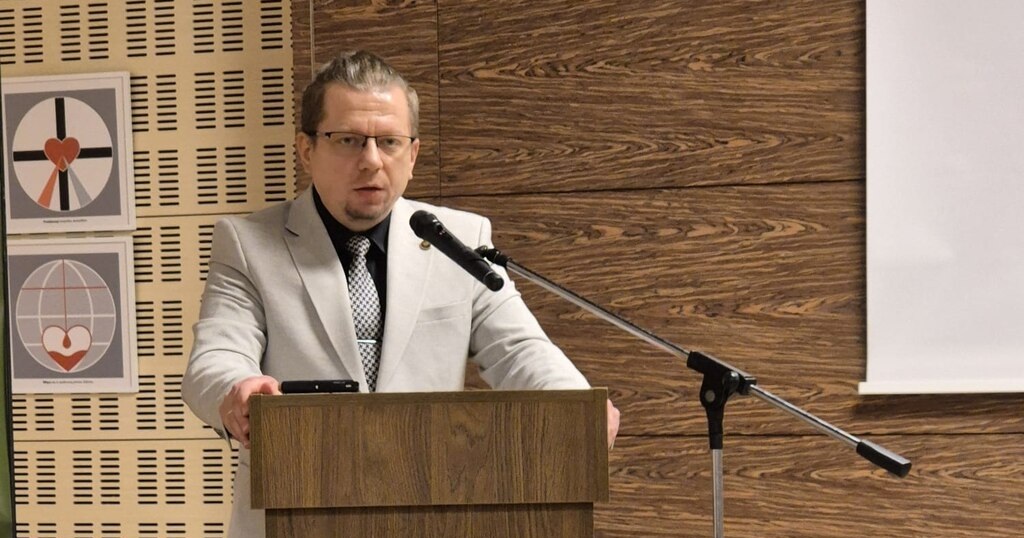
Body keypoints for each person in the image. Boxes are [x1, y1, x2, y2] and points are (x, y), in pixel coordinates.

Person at [182, 50, 620, 538]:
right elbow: (215, 358)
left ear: (411, 155)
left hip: (433, 511)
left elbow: (520, 350)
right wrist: (237, 390)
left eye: (389, 142)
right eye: (348, 140)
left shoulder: (460, 239)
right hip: (293, 511)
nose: (371, 160)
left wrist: (577, 406)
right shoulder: (248, 243)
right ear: (306, 150)